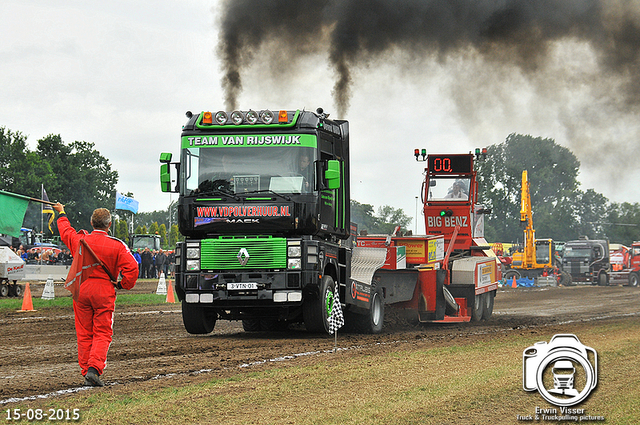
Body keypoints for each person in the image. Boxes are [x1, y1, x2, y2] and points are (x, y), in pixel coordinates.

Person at [53, 202, 138, 387]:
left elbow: (66, 231)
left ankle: (86, 371)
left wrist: (61, 213)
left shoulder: (80, 240)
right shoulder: (117, 245)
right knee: (102, 332)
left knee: (84, 333)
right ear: (108, 225)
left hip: (81, 289)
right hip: (103, 291)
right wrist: (123, 284)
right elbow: (132, 267)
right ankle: (93, 369)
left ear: (92, 223)